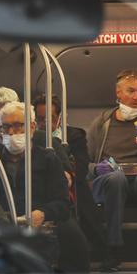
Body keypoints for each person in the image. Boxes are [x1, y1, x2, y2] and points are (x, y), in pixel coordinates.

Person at [0, 101, 90, 272]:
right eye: (6, 127)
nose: (11, 132)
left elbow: (62, 204)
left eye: (18, 126)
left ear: (31, 127)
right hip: (1, 227)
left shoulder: (48, 160)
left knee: (74, 242)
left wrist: (43, 213)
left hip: (39, 226)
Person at [86, 68, 137, 271]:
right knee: (116, 179)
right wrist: (95, 169)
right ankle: (113, 248)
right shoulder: (102, 123)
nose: (136, 97)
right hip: (110, 177)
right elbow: (86, 160)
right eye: (130, 91)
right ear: (118, 93)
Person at [33, 94, 107, 259]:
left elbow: (81, 166)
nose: (44, 123)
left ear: (59, 118)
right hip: (41, 188)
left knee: (80, 193)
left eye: (49, 118)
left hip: (71, 184)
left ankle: (100, 249)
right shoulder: (32, 138)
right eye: (39, 119)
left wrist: (65, 175)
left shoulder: (74, 136)